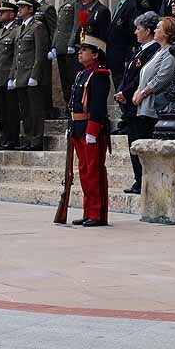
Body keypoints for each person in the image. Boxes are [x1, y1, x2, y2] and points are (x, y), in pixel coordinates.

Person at [68, 34, 113, 227]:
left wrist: (93, 130)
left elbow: (98, 105)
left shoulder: (100, 74)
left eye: (84, 50)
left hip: (90, 128)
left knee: (94, 170)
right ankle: (88, 211)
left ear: (96, 54)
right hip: (78, 126)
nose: (80, 53)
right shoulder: (82, 73)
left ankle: (97, 213)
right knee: (84, 171)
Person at [129, 17, 175, 191]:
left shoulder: (170, 52)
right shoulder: (159, 51)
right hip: (144, 104)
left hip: (154, 105)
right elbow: (146, 74)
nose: (155, 30)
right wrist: (138, 91)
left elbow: (162, 77)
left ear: (166, 33)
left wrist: (143, 93)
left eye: (158, 28)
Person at [114, 12, 161, 193]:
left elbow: (141, 78)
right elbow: (129, 74)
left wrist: (126, 92)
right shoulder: (140, 49)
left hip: (140, 103)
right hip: (130, 103)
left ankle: (143, 179)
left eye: (139, 29)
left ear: (147, 31)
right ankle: (138, 179)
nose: (135, 32)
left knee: (140, 141)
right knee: (133, 143)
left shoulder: (152, 49)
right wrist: (121, 91)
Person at [13, 0, 51, 151]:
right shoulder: (20, 28)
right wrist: (12, 76)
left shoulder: (38, 27)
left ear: (31, 9)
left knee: (35, 109)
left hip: (31, 75)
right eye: (19, 7)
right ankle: (29, 137)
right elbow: (17, 55)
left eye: (23, 7)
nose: (20, 9)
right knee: (25, 110)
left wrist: (35, 75)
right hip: (21, 75)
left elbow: (40, 53)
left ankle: (36, 139)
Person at [50, 0, 82, 109]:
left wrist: (72, 43)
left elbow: (76, 23)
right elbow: (59, 25)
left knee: (72, 77)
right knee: (64, 80)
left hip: (70, 46)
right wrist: (54, 45)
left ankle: (75, 106)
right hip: (61, 46)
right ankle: (68, 104)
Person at [0, 2, 20, 150]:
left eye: (3, 12)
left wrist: (12, 76)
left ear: (11, 14)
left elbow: (15, 55)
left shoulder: (16, 31)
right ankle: (5, 138)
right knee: (2, 111)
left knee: (11, 111)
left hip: (9, 76)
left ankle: (13, 139)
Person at [107, 0, 140, 90]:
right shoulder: (121, 4)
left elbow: (131, 31)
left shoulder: (132, 5)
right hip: (116, 53)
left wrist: (128, 54)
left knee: (123, 85)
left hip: (124, 53)